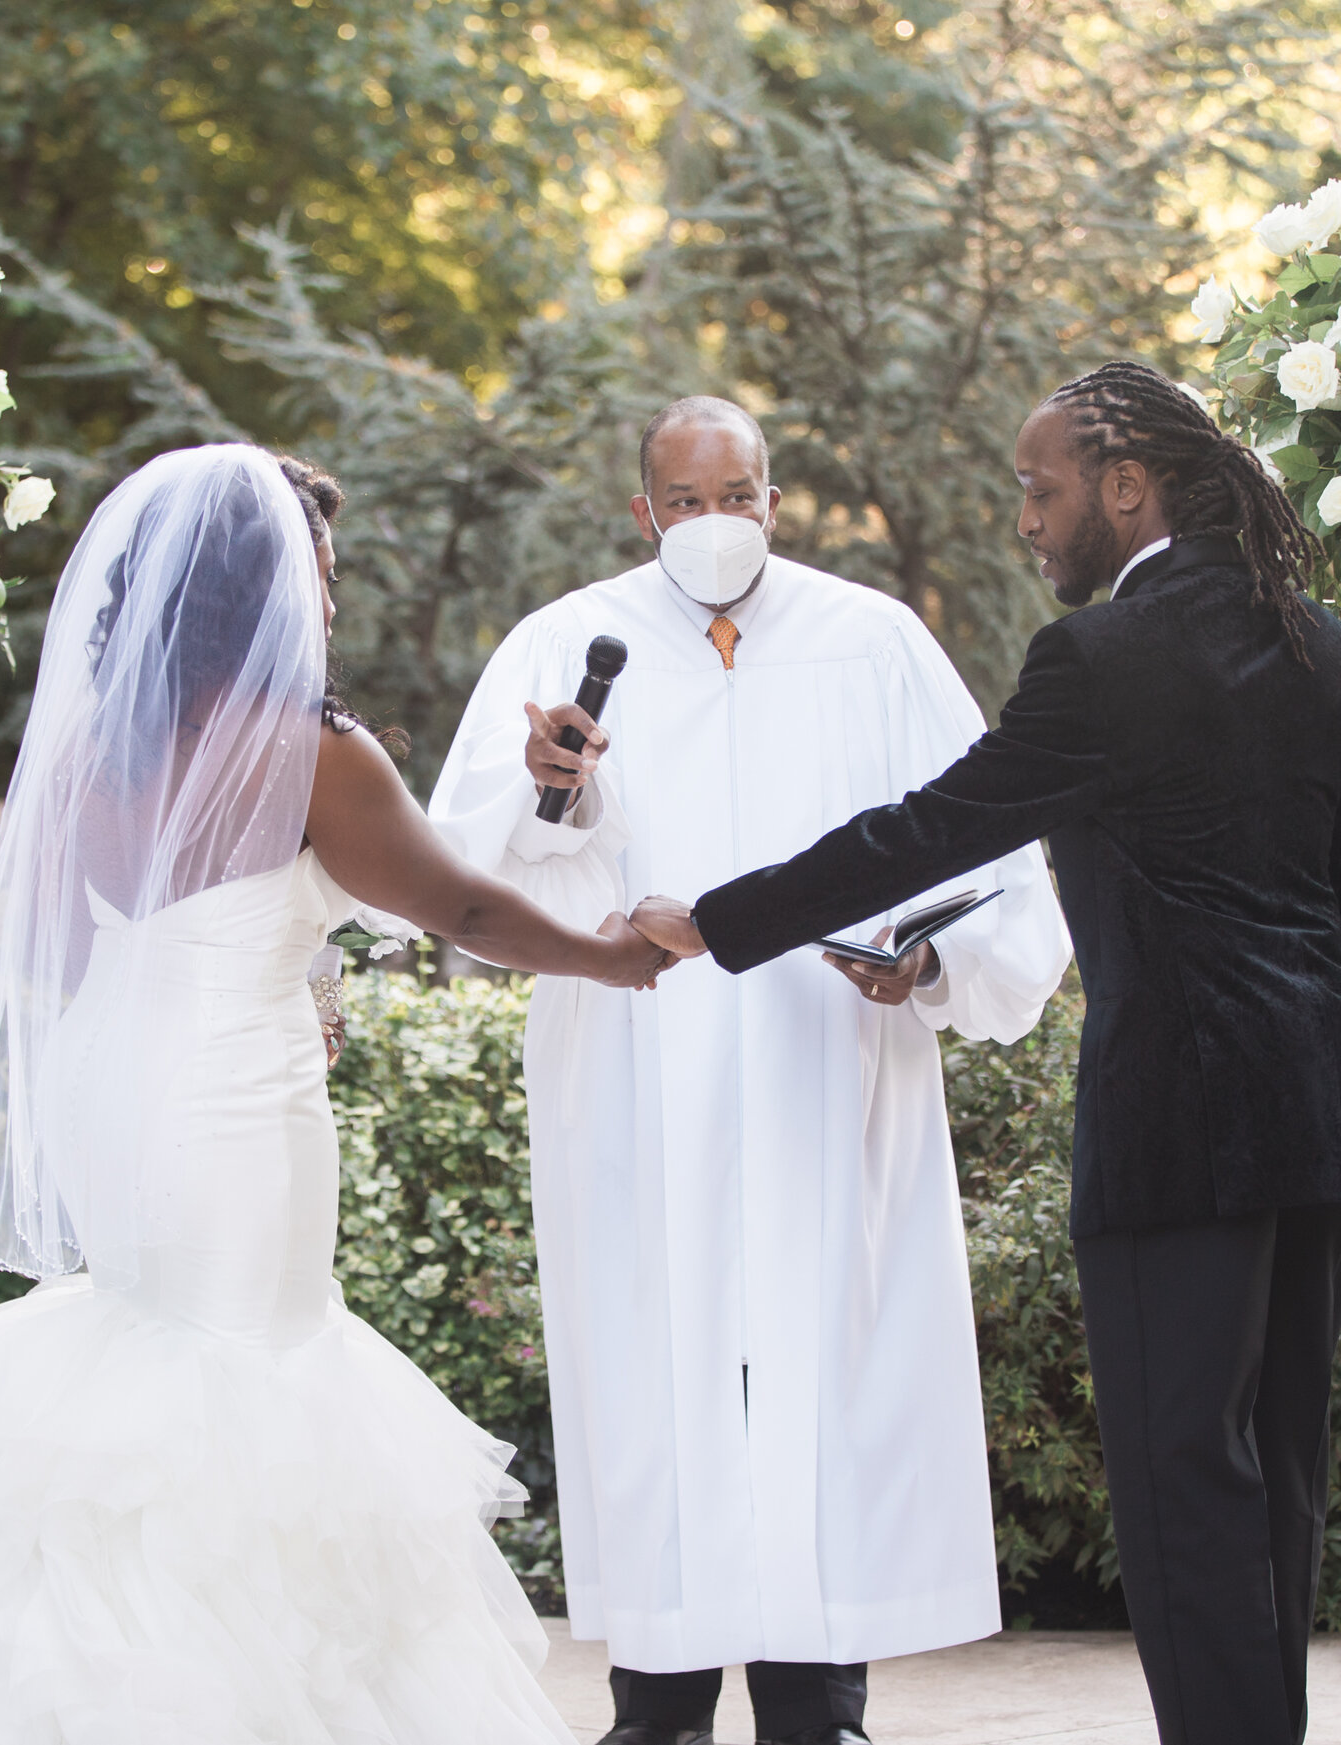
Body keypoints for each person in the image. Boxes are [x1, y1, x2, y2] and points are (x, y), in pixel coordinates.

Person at [0, 444, 674, 1745]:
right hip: (231, 1107)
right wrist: (610, 955)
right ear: (262, 585)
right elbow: (453, 903)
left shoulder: (91, 745)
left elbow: (68, 949)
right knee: (249, 1378)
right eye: (318, 566)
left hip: (114, 1087)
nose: (329, 594)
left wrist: (275, 963)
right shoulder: (307, 749)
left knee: (140, 1361)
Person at [632, 363, 1341, 1745]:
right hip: (1326, 1102)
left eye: (1041, 487)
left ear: (1126, 487)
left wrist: (716, 919)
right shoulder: (1320, 635)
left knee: (1185, 1488)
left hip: (1180, 1119)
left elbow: (930, 829)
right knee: (1281, 1474)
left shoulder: (1103, 660)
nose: (1027, 518)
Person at [427, 397, 1072, 1745]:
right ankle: (656, 1699)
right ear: (642, 508)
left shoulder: (874, 642)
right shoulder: (563, 643)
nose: (716, 521)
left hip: (822, 1061)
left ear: (776, 499)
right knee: (654, 1361)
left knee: (825, 1363)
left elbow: (989, 851)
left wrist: (932, 967)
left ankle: (818, 1698)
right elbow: (455, 867)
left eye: (742, 494)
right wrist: (556, 793)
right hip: (636, 1068)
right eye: (687, 497)